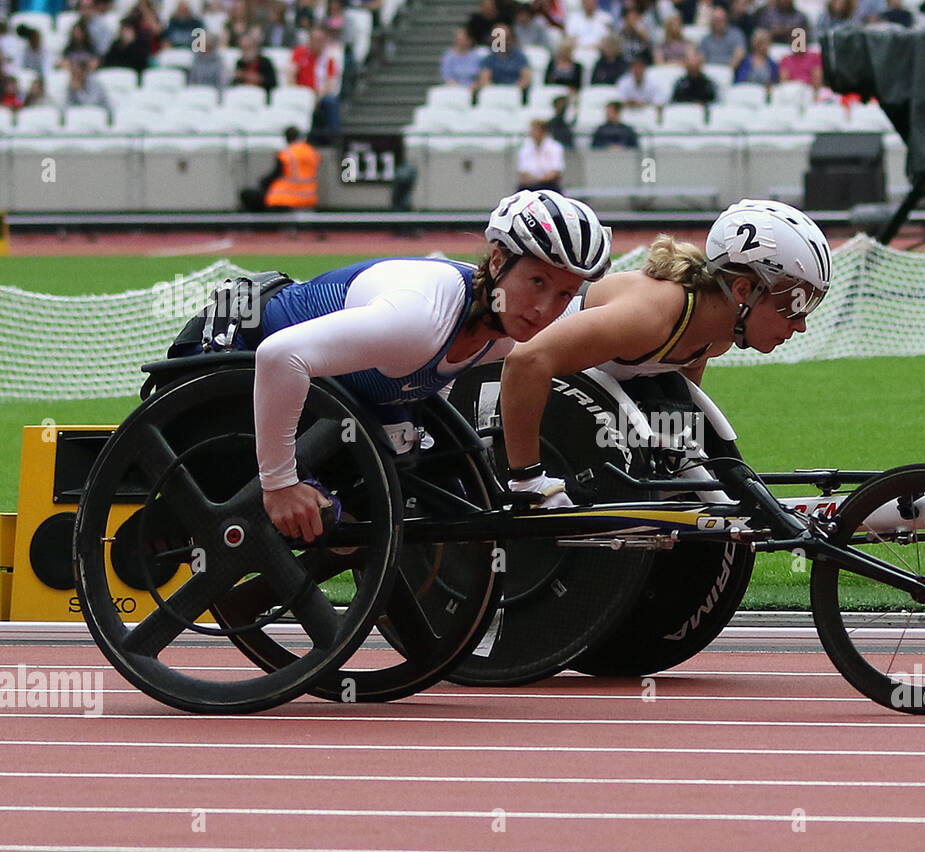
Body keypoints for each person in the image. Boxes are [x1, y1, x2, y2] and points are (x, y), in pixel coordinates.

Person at [242, 190, 610, 540]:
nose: (544, 309)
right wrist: (279, 485)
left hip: (337, 388)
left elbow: (430, 383)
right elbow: (278, 356)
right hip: (239, 358)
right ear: (498, 261)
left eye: (563, 293)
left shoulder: (504, 333)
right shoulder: (418, 320)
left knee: (439, 488)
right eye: (536, 281)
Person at [498, 200, 831, 506]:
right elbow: (526, 361)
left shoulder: (717, 334)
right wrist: (529, 481)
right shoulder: (651, 315)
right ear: (743, 290)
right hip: (511, 384)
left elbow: (679, 414)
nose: (800, 325)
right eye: (792, 307)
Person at [240, 126, 320, 211]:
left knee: (247, 195)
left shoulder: (287, 154)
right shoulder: (311, 152)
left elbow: (275, 175)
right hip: (308, 198)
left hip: (285, 199)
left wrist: (262, 182)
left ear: (286, 138)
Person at [517, 116, 564, 190]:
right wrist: (534, 180)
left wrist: (541, 180)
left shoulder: (555, 147)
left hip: (549, 185)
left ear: (543, 131)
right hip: (530, 184)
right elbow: (524, 171)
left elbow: (555, 171)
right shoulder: (525, 147)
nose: (532, 132)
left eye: (535, 130)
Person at [698, 3, 745, 70]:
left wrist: (728, 70)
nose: (717, 23)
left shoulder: (736, 34)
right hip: (709, 70)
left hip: (729, 70)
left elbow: (739, 54)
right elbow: (701, 57)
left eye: (720, 20)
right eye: (715, 21)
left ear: (726, 21)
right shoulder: (705, 39)